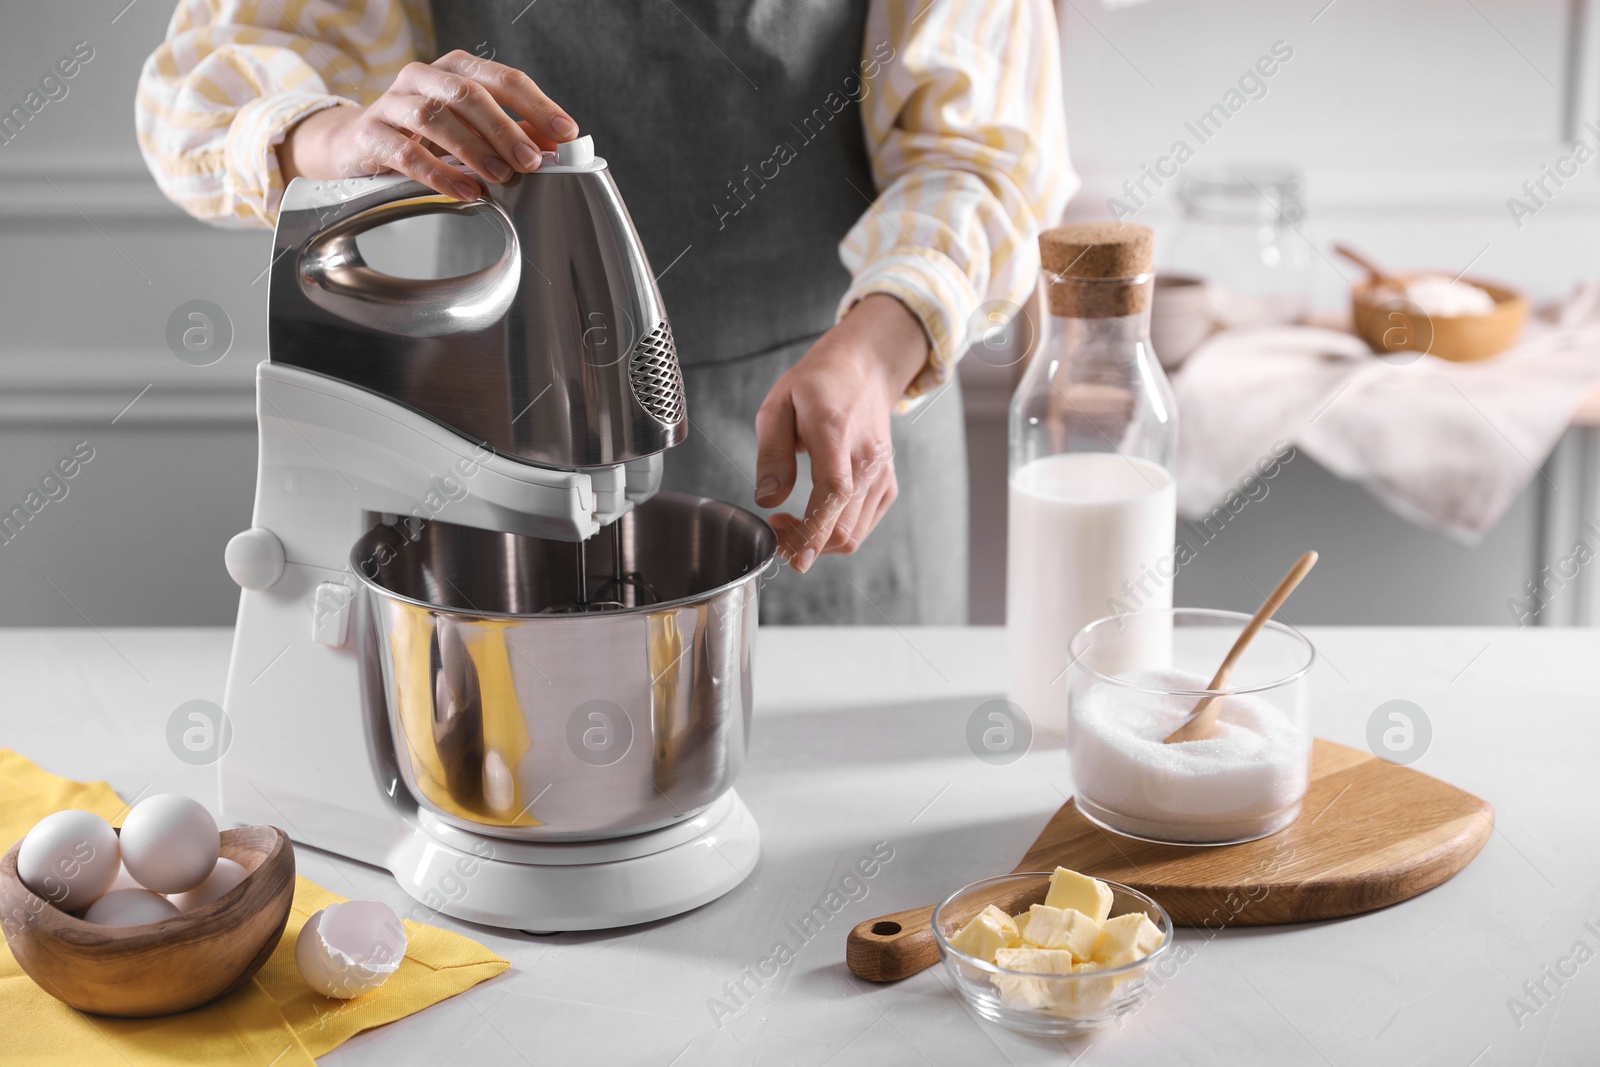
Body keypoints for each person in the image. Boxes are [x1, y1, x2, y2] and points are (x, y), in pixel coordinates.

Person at [137, 0, 1071, 624]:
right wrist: (332, 128)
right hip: (501, 438)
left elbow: (985, 153)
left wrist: (878, 347)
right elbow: (209, 77)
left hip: (841, 426)